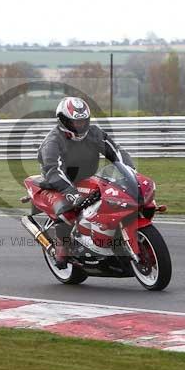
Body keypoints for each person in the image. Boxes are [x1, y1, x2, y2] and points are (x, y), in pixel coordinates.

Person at [37, 97, 135, 268]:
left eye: (83, 121)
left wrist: (131, 173)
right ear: (63, 121)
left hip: (88, 177)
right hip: (57, 182)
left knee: (115, 197)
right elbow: (53, 170)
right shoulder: (53, 142)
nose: (80, 126)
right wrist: (70, 192)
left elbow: (116, 152)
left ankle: (107, 237)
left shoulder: (94, 133)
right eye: (75, 122)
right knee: (67, 210)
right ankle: (61, 249)